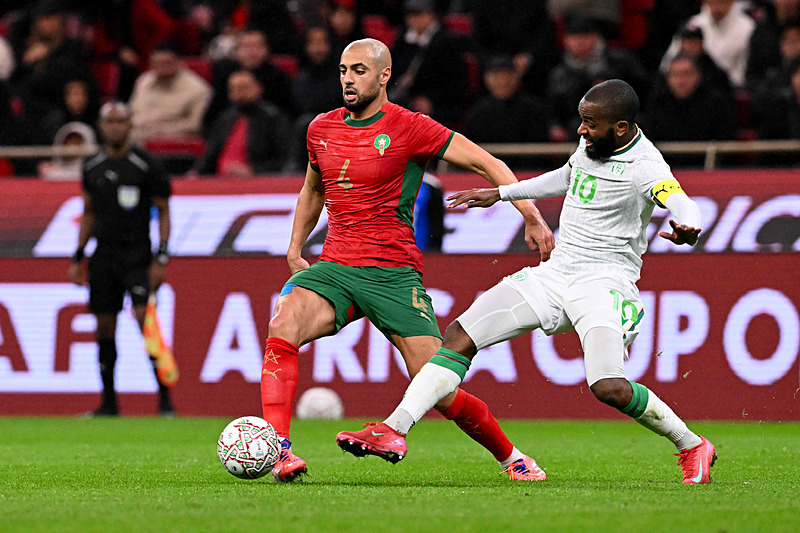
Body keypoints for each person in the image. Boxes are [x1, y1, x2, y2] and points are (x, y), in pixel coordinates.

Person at [337, 79, 718, 485]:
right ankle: (393, 429)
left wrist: (689, 225)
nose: (581, 130)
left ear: (621, 127)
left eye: (590, 123)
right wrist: (502, 193)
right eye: (581, 121)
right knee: (460, 335)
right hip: (555, 274)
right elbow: (566, 176)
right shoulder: (592, 146)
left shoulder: (645, 165)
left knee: (609, 387)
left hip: (604, 284)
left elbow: (679, 200)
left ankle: (692, 444)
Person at [262, 38, 555, 483]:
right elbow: (313, 190)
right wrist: (294, 248)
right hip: (335, 266)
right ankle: (279, 450)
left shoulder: (411, 127)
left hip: (393, 273)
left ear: (384, 76)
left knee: (437, 385)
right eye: (343, 70)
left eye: (359, 70)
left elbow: (486, 163)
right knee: (283, 323)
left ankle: (512, 458)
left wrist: (530, 214)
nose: (347, 79)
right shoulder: (320, 128)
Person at [68, 102, 176, 417]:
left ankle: (165, 402)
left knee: (145, 321)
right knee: (104, 326)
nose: (115, 127)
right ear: (101, 126)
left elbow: (164, 211)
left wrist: (162, 256)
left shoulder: (146, 164)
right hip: (103, 255)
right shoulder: (92, 165)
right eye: (110, 121)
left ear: (130, 125)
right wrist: (78, 255)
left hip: (137, 254)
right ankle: (108, 403)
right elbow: (88, 212)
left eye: (121, 121)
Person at [547, 16, 648, 142]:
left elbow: (643, 91)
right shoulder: (559, 74)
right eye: (575, 37)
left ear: (596, 37)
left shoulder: (621, 62)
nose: (580, 42)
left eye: (585, 37)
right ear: (565, 41)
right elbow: (555, 110)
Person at [191, 70, 290, 176]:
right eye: (234, 89)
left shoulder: (273, 119)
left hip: (257, 180)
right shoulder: (225, 119)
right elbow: (209, 155)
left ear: (258, 88)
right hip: (219, 179)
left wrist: (254, 171)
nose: (239, 93)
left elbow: (285, 160)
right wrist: (196, 172)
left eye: (244, 87)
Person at [128, 42, 212, 145]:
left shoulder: (198, 89)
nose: (161, 67)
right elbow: (131, 112)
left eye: (167, 63)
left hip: (171, 141)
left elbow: (196, 125)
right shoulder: (144, 80)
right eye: (156, 63)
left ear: (179, 62)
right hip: (135, 135)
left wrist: (161, 130)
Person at [659, 0, 755, 89]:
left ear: (732, 2)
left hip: (728, 89)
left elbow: (742, 72)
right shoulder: (693, 24)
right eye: (713, 2)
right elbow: (667, 64)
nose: (717, 8)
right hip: (689, 89)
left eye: (723, 2)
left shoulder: (747, 27)